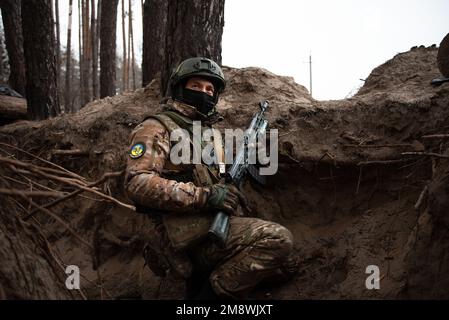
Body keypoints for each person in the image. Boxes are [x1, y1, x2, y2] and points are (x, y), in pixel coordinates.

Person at [124, 57, 298, 299]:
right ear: (179, 88)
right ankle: (209, 297)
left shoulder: (210, 134)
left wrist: (234, 181)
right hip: (182, 236)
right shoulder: (157, 127)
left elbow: (219, 182)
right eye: (196, 86)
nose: (203, 93)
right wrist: (206, 197)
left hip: (213, 226)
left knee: (287, 266)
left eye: (209, 89)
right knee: (278, 239)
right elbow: (138, 182)